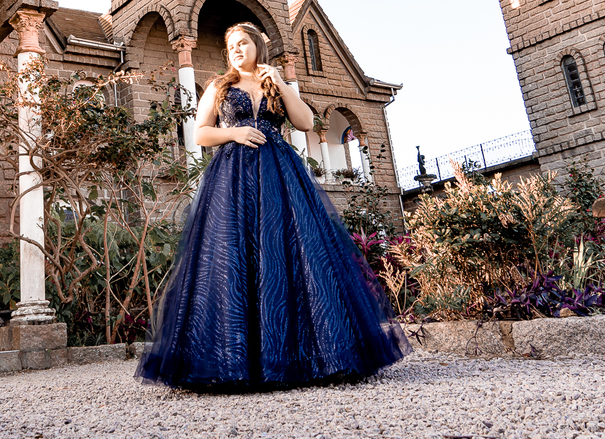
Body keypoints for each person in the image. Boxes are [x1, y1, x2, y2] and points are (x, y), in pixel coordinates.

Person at [137, 22, 410, 391]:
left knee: (291, 254)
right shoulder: (220, 86)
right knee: (235, 257)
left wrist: (280, 82)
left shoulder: (273, 84)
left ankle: (309, 356)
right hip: (233, 180)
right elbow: (200, 132)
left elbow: (306, 122)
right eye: (230, 44)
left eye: (243, 43)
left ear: (257, 47)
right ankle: (237, 360)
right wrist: (233, 132)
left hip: (280, 176)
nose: (235, 49)